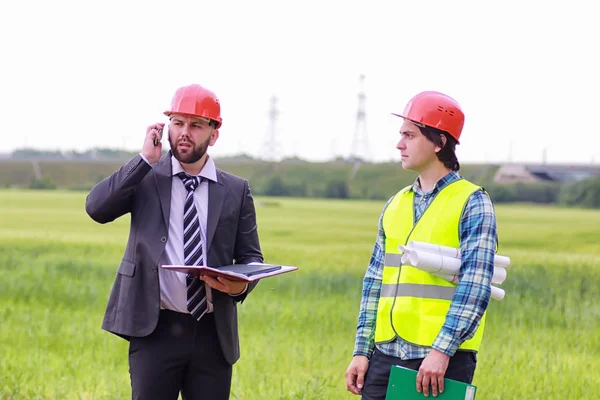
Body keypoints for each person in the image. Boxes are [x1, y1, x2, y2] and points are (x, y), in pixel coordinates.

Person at [86, 83, 263, 400]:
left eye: (196, 125)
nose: (184, 132)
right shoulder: (146, 177)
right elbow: (97, 209)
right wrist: (143, 159)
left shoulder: (236, 190)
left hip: (213, 334)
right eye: (178, 123)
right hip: (155, 330)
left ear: (214, 133)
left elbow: (251, 258)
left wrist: (239, 286)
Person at [345, 91, 498, 399]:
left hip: (440, 360)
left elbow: (476, 285)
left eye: (409, 135)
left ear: (439, 142)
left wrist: (442, 351)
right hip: (384, 354)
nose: (399, 144)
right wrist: (362, 350)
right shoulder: (396, 204)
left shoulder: (472, 202)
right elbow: (375, 282)